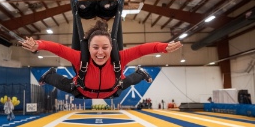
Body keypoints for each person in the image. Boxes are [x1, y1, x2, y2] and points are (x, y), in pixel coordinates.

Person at [21, 20, 182, 99]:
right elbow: (57, 48)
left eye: (105, 47)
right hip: (83, 90)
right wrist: (38, 45)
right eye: (95, 48)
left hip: (112, 90)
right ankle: (49, 74)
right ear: (88, 48)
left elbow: (142, 49)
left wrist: (163, 47)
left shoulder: (120, 58)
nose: (100, 52)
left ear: (111, 48)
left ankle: (141, 73)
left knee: (128, 81)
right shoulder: (79, 58)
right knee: (67, 85)